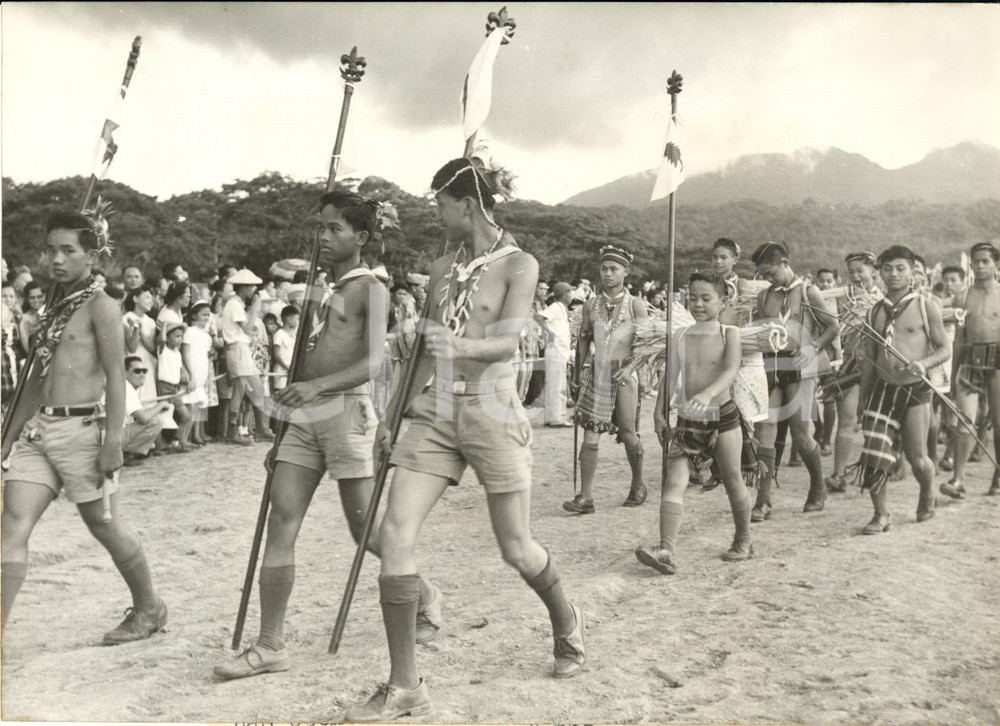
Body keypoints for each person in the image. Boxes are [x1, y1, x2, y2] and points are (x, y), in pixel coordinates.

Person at [346, 158, 585, 722]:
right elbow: (424, 356)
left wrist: (452, 343)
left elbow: (504, 345)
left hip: (492, 408)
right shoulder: (441, 267)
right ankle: (406, 686)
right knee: (395, 533)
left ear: (467, 205)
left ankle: (566, 618)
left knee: (515, 548)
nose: (436, 214)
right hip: (434, 410)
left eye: (441, 204)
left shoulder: (519, 264)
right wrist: (392, 416)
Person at [213, 190, 443, 682]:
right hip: (302, 418)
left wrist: (315, 385)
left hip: (347, 414)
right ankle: (271, 643)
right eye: (319, 227)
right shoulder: (318, 288)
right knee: (281, 520)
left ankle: (423, 593)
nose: (324, 236)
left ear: (360, 238)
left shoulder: (371, 288)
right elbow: (304, 357)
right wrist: (283, 422)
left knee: (363, 531)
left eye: (334, 228)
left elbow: (374, 364)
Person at [1, 209, 167, 641]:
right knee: (11, 527)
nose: (55, 259)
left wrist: (113, 441)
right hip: (40, 433)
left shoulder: (102, 306)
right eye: (51, 250)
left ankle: (149, 609)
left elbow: (116, 376)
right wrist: (8, 436)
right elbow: (33, 382)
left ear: (91, 256)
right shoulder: (52, 308)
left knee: (104, 525)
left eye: (67, 251)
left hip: (83, 433)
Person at [636, 272, 753, 574]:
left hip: (722, 418)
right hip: (687, 419)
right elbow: (669, 376)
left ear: (723, 301)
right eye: (692, 298)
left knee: (732, 479)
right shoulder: (680, 335)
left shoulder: (730, 334)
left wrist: (708, 393)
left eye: (706, 298)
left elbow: (730, 370)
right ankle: (666, 549)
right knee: (673, 483)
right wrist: (659, 413)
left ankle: (743, 539)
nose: (698, 304)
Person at [855, 245, 950, 532]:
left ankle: (927, 491)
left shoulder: (925, 306)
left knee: (917, 458)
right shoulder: (874, 312)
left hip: (914, 391)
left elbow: (945, 348)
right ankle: (881, 514)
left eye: (901, 268)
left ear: (912, 272)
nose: (894, 274)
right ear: (879, 272)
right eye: (888, 268)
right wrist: (863, 398)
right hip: (882, 391)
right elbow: (870, 360)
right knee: (875, 454)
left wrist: (924, 363)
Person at [750, 242, 839, 520]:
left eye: (771, 272)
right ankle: (763, 500)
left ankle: (818, 487)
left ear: (785, 262)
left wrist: (812, 347)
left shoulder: (809, 292)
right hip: (772, 367)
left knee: (801, 433)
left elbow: (833, 327)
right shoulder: (765, 296)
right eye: (763, 275)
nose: (768, 278)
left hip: (801, 368)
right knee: (765, 427)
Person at [564, 245, 649, 513]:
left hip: (624, 373)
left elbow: (646, 346)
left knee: (627, 432)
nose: (608, 274)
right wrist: (577, 373)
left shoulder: (636, 305)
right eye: (604, 269)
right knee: (591, 432)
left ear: (626, 271)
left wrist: (631, 368)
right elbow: (583, 340)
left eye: (614, 269)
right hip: (598, 372)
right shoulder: (590, 305)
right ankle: (585, 497)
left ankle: (638, 484)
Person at [942, 242, 1000, 498]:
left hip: (997, 359)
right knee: (964, 420)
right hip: (970, 360)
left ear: (996, 264)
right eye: (976, 261)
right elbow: (958, 339)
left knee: (998, 423)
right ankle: (958, 479)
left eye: (985, 261)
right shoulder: (963, 296)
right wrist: (954, 373)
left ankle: (998, 475)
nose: (980, 266)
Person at [220, 269, 266, 446]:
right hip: (237, 348)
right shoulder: (234, 304)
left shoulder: (236, 304)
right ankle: (247, 430)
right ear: (244, 287)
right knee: (252, 388)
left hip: (240, 348)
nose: (254, 289)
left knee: (243, 390)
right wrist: (255, 308)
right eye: (251, 286)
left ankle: (247, 429)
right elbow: (246, 328)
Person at [120, 356, 170, 465]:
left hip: (113, 434)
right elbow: (143, 418)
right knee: (155, 421)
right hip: (111, 436)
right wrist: (161, 405)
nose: (142, 374)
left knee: (153, 417)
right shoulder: (126, 388)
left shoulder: (128, 387)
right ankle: (124, 455)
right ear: (125, 372)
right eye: (137, 371)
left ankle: (125, 455)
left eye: (144, 371)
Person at [538, 281, 574, 427]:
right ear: (563, 294)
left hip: (560, 350)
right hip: (556, 349)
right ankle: (556, 418)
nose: (571, 295)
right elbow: (539, 318)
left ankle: (552, 417)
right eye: (569, 292)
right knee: (557, 384)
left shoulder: (561, 308)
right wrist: (551, 333)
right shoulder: (555, 307)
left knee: (557, 383)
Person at [158, 321, 193, 452]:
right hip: (163, 388)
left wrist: (187, 381)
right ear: (167, 338)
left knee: (186, 416)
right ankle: (159, 444)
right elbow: (161, 340)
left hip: (174, 389)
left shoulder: (177, 354)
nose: (179, 339)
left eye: (181, 336)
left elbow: (180, 370)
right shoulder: (162, 350)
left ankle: (175, 442)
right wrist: (165, 326)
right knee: (161, 418)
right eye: (176, 336)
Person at [183, 301, 215, 446]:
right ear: (195, 315)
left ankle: (195, 435)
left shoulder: (207, 336)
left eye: (208, 315)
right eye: (203, 314)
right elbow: (186, 353)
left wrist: (208, 375)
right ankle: (185, 438)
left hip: (202, 372)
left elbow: (207, 357)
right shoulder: (190, 331)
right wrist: (191, 374)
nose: (206, 317)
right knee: (191, 405)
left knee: (198, 406)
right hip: (193, 371)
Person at [122, 286, 159, 404]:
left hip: (147, 362)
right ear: (136, 299)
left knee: (149, 399)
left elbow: (151, 347)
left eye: (151, 298)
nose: (151, 301)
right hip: (133, 361)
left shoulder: (151, 321)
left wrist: (141, 330)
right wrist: (136, 329)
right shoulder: (126, 318)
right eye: (147, 297)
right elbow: (132, 348)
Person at [271, 305, 299, 392]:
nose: (298, 321)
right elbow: (276, 354)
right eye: (297, 319)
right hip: (281, 373)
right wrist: (287, 368)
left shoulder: (294, 336)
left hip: (291, 373)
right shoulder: (279, 334)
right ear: (289, 320)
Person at [18, 281, 46, 356]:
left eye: (39, 297)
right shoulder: (24, 319)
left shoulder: (49, 312)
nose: (36, 300)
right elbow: (27, 349)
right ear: (27, 299)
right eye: (32, 298)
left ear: (45, 296)